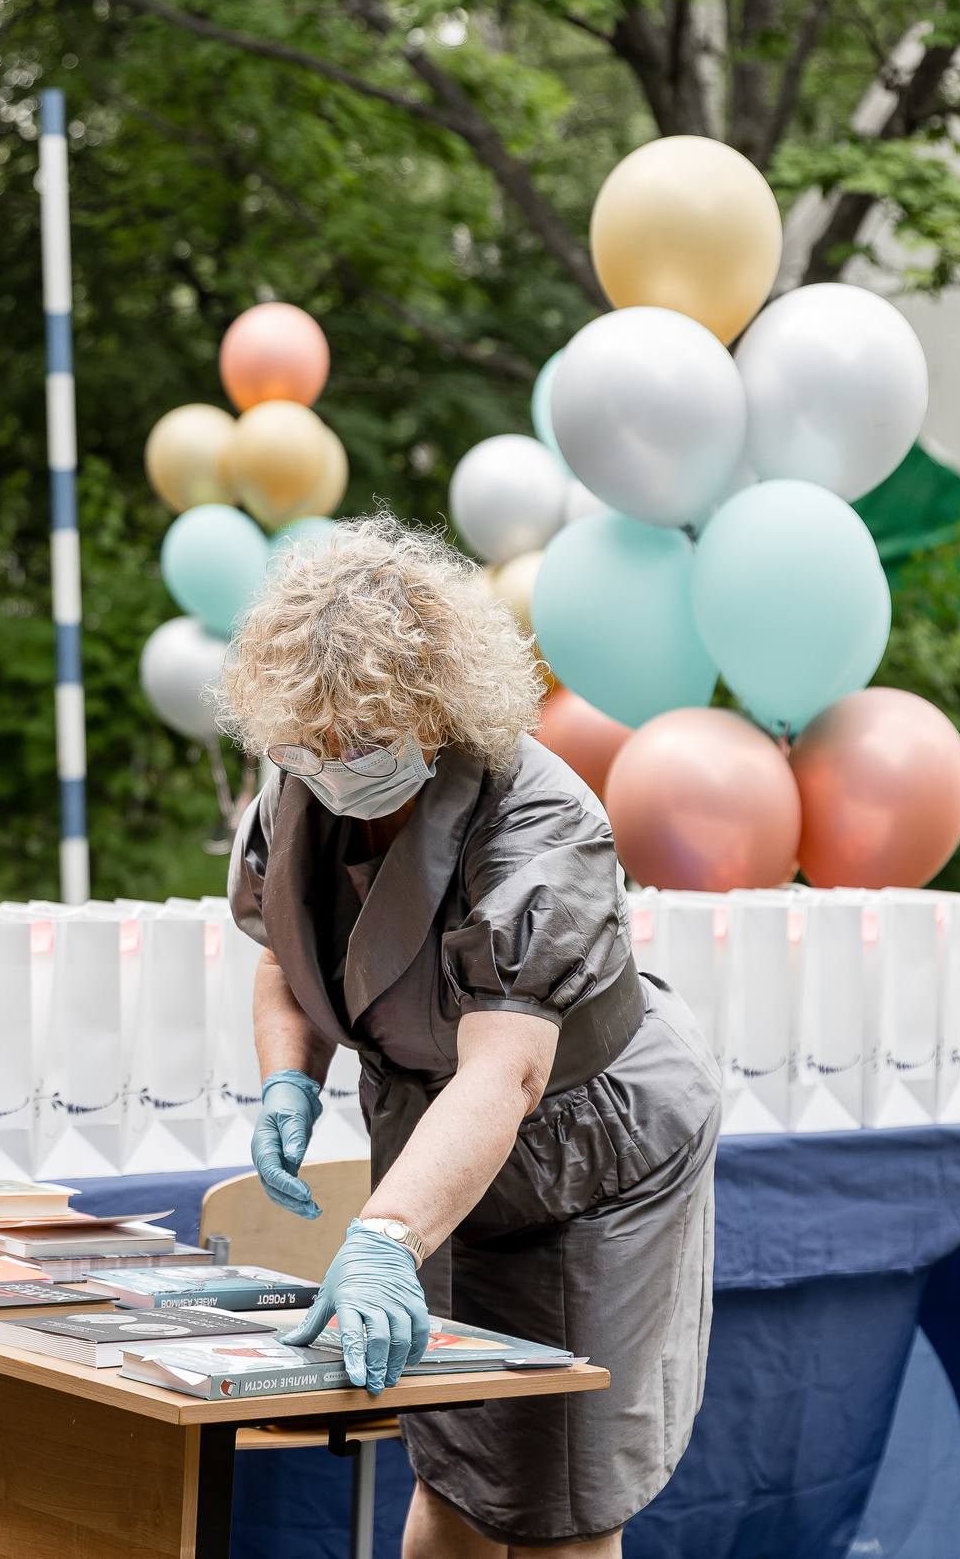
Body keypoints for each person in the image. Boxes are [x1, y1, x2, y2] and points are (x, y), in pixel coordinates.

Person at [223, 515, 718, 1559]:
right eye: (313, 743)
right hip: (435, 1138)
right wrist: (287, 1083)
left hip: (590, 1150)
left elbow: (509, 1071)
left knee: (558, 1488)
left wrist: (388, 1236)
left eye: (363, 740)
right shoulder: (299, 781)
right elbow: (282, 953)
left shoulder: (540, 822)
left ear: (434, 709)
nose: (336, 763)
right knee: (452, 1455)